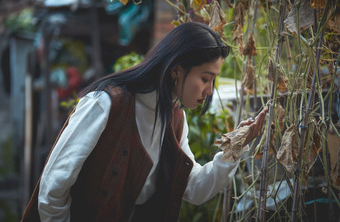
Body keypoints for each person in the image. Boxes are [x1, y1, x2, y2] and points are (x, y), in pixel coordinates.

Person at [21, 22, 267, 222]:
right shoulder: (105, 104)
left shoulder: (174, 118)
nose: (209, 90)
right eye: (205, 78)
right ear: (176, 70)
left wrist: (235, 146)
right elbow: (54, 186)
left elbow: (194, 188)